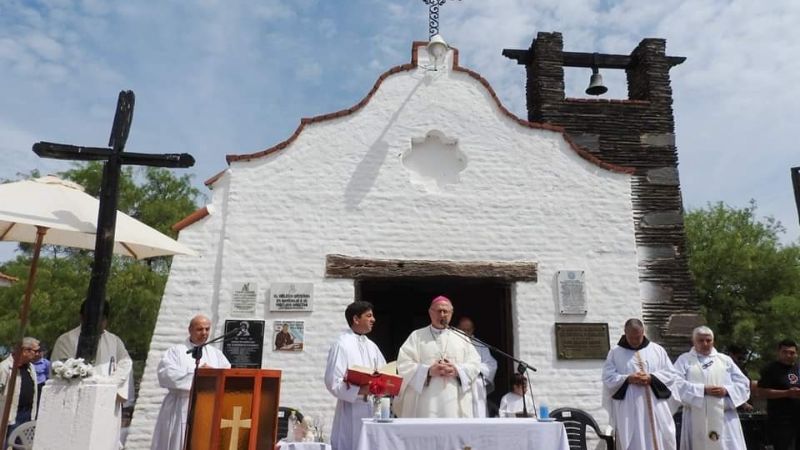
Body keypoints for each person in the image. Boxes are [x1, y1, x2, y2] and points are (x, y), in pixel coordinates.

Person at [51, 300, 132, 449]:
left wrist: (110, 383)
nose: (98, 324)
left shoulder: (114, 341)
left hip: (107, 401)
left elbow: (125, 362)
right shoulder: (67, 340)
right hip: (77, 403)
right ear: (82, 317)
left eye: (102, 319)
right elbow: (61, 370)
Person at [151, 314, 231, 450]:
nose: (204, 333)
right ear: (190, 330)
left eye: (207, 329)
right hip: (181, 405)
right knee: (180, 442)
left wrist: (212, 374)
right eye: (200, 329)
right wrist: (198, 375)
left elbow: (226, 375)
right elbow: (166, 374)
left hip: (208, 406)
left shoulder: (216, 354)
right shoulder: (176, 351)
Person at [394, 295, 481, 418]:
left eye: (445, 311)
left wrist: (457, 370)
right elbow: (404, 365)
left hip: (453, 401)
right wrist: (428, 371)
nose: (442, 314)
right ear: (430, 313)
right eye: (438, 311)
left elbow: (475, 364)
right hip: (425, 403)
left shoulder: (462, 337)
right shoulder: (416, 336)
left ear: (451, 313)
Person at [602, 318, 678, 450]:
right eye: (631, 338)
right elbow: (608, 378)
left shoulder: (657, 350)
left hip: (656, 406)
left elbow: (671, 374)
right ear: (625, 333)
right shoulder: (615, 353)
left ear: (643, 332)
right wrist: (628, 379)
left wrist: (651, 378)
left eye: (638, 337)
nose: (635, 341)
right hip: (629, 409)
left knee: (660, 437)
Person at [673, 326, 749, 450]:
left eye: (708, 340)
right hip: (696, 415)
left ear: (713, 341)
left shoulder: (725, 360)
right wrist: (702, 389)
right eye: (701, 340)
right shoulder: (684, 360)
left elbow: (743, 384)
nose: (705, 344)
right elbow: (675, 383)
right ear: (693, 341)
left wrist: (726, 391)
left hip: (724, 416)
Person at [324, 301, 387, 450]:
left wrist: (384, 384)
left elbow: (384, 371)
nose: (373, 319)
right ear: (356, 319)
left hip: (372, 408)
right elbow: (333, 382)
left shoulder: (371, 346)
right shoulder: (342, 344)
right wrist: (360, 390)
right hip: (351, 409)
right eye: (369, 316)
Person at [757, 339, 800, 450]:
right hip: (781, 421)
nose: (788, 355)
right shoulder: (770, 369)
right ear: (778, 352)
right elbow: (761, 392)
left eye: (792, 353)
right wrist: (787, 393)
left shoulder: (798, 368)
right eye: (785, 352)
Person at [456, 316, 497, 417]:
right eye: (463, 330)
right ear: (457, 328)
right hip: (458, 384)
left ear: (473, 330)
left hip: (476, 386)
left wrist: (473, 369)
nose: (466, 333)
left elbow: (491, 365)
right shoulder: (452, 343)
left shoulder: (480, 345)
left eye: (468, 330)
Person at [0, 337, 39, 439]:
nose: (37, 354)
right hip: (10, 415)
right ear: (25, 351)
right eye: (35, 351)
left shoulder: (31, 367)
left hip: (27, 414)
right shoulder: (5, 368)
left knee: (22, 444)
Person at [31, 343, 50, 412]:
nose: (37, 354)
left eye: (39, 352)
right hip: (31, 385)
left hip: (40, 385)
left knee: (38, 403)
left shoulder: (46, 363)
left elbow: (48, 374)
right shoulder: (29, 362)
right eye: (36, 352)